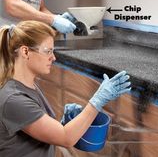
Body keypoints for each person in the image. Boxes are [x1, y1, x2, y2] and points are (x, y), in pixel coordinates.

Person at [0, 20, 131, 157]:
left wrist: (62, 124)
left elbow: (34, 128)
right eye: (48, 51)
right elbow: (66, 138)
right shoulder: (13, 99)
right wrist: (97, 101)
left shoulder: (27, 85)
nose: (54, 58)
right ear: (25, 52)